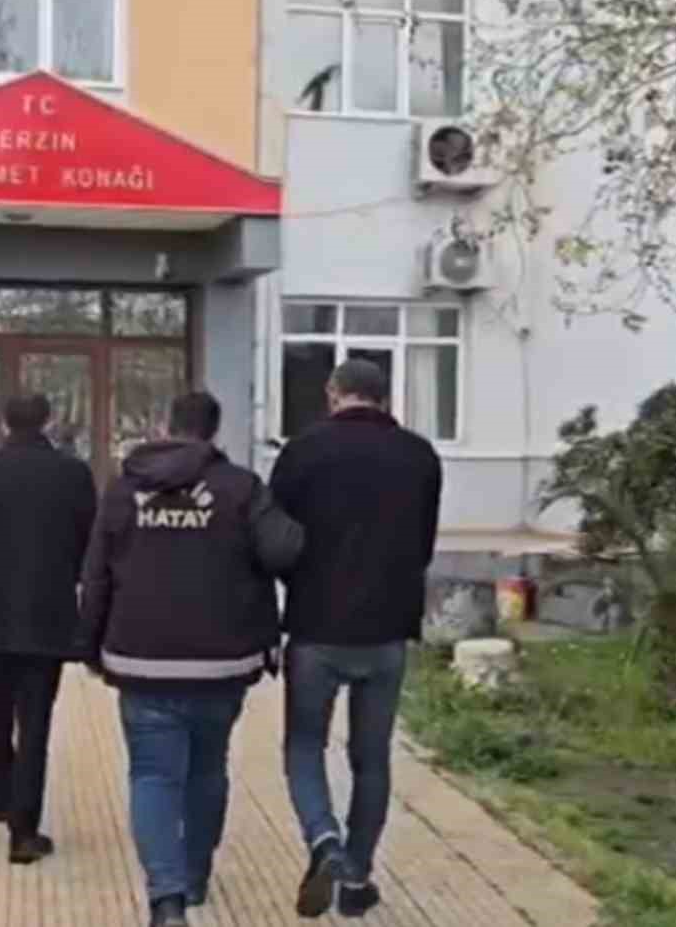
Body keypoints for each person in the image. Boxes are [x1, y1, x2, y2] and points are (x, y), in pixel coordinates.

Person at [79, 392, 304, 927]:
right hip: (222, 661)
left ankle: (167, 898)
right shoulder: (240, 488)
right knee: (207, 770)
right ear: (213, 431)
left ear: (166, 426)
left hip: (142, 658)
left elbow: (96, 574)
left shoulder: (124, 489)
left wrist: (90, 646)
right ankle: (196, 876)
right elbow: (282, 552)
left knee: (153, 775)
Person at [269, 359, 443, 919]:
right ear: (384, 397)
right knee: (372, 758)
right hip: (388, 629)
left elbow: (275, 541)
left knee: (304, 746)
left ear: (333, 393)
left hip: (316, 627)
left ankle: (325, 842)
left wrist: (295, 588)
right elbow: (423, 545)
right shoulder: (420, 455)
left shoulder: (301, 453)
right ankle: (357, 875)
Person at [0, 394, 97, 865]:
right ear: (48, 421)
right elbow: (88, 542)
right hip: (50, 611)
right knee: (35, 723)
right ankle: (24, 831)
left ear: (3, 421)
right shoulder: (73, 476)